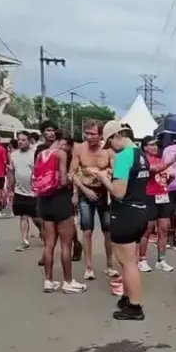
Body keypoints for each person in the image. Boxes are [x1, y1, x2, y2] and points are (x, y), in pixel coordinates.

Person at [89, 121, 149, 320]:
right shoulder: (141, 155)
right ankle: (127, 296)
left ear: (116, 136)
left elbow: (118, 192)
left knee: (127, 262)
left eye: (109, 143)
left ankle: (135, 306)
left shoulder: (124, 157)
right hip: (140, 210)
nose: (110, 149)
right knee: (129, 260)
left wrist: (103, 177)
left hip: (126, 213)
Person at [34, 133, 86, 294]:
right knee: (65, 244)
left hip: (44, 202)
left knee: (49, 244)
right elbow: (63, 181)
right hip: (60, 201)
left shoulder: (41, 154)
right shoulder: (61, 154)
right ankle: (68, 281)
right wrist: (71, 178)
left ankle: (48, 281)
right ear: (64, 142)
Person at [71, 119, 116, 280]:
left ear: (100, 135)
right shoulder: (79, 148)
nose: (89, 137)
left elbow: (115, 170)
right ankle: (89, 267)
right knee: (87, 230)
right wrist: (81, 190)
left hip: (104, 193)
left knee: (108, 230)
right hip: (86, 192)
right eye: (87, 133)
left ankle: (110, 265)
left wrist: (104, 172)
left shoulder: (108, 150)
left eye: (92, 134)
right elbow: (73, 173)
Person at [139, 135, 176, 273]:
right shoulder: (144, 160)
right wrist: (173, 160)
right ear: (145, 147)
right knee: (147, 230)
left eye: (156, 144)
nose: (155, 147)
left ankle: (161, 260)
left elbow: (163, 179)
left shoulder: (160, 160)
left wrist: (169, 180)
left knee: (163, 229)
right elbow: (154, 170)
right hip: (149, 197)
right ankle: (142, 259)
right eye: (151, 144)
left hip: (163, 196)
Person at [9, 132, 41, 251]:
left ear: (29, 141)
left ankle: (42, 230)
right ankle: (24, 241)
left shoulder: (34, 154)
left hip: (33, 191)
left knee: (36, 217)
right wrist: (10, 189)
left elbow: (38, 172)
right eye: (19, 140)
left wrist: (38, 188)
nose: (20, 142)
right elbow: (11, 172)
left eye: (23, 140)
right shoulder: (13, 155)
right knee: (23, 216)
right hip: (19, 191)